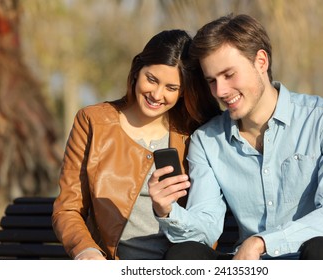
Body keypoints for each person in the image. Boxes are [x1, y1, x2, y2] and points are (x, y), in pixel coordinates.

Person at [148, 14, 323, 260]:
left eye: (228, 75)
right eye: (212, 81)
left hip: (309, 262)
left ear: (261, 61)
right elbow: (205, 225)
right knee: (184, 253)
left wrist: (261, 242)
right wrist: (166, 210)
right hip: (244, 265)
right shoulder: (207, 140)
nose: (220, 91)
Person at [51, 29, 221, 260]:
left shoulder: (195, 135)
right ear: (137, 70)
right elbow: (68, 208)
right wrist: (86, 250)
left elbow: (205, 218)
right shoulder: (93, 121)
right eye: (151, 79)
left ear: (182, 92)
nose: (157, 94)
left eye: (171, 88)